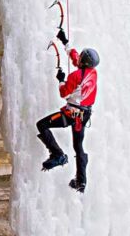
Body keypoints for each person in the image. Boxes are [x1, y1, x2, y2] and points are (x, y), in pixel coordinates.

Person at [36, 30, 100, 193]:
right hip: (84, 116)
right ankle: (81, 182)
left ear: (83, 61)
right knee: (78, 147)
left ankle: (57, 155)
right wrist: (65, 42)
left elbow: (64, 93)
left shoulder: (75, 76)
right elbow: (76, 58)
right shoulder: (92, 73)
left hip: (71, 114)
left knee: (42, 125)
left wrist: (61, 80)